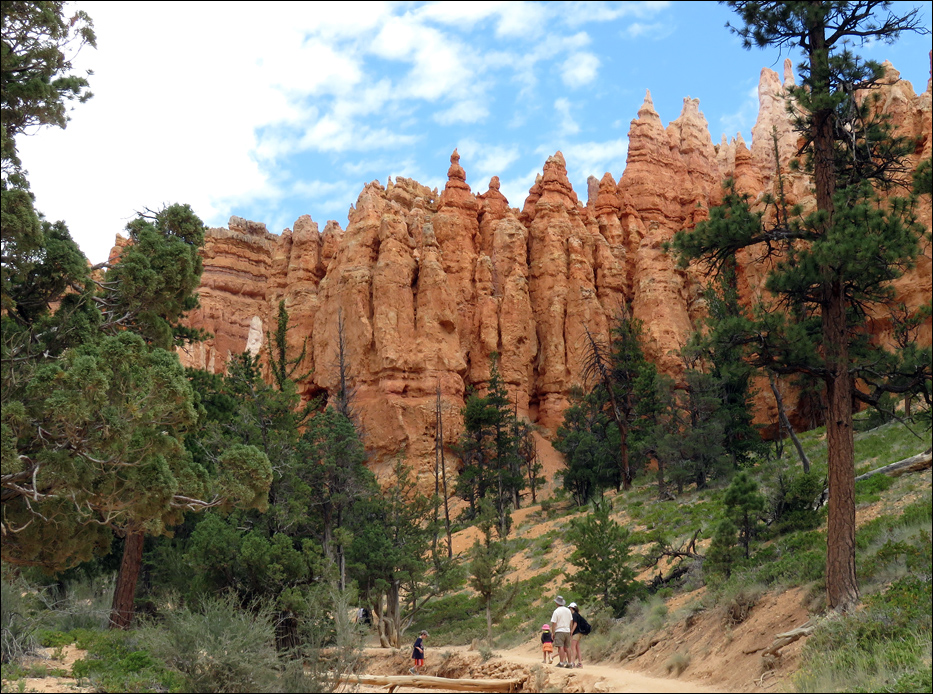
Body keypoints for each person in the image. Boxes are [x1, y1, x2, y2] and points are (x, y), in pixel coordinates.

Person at [550, 595, 573, 667]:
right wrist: (570, 630)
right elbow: (571, 621)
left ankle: (561, 662)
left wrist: (553, 632)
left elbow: (554, 623)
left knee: (561, 647)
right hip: (567, 630)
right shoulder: (568, 610)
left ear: (557, 603)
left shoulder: (556, 611)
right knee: (568, 647)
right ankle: (569, 663)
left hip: (559, 630)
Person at [569, 602, 588, 668]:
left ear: (571, 608)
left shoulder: (574, 615)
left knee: (573, 647)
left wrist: (571, 631)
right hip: (580, 633)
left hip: (576, 633)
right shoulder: (578, 615)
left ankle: (572, 662)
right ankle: (580, 663)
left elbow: (575, 624)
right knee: (578, 648)